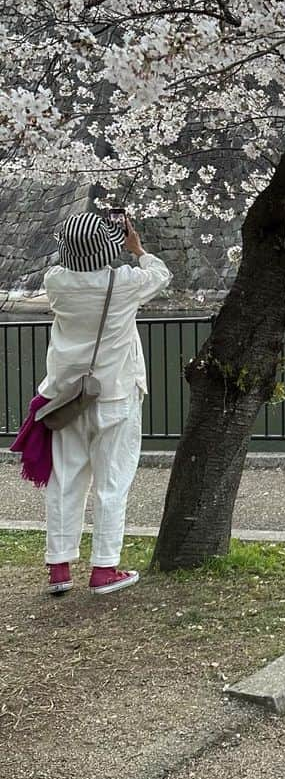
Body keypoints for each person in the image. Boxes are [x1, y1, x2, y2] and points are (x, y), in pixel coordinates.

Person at [38, 210, 172, 595]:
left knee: (64, 481)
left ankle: (60, 568)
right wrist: (137, 248)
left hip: (66, 398)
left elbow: (73, 261)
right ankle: (104, 569)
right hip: (114, 394)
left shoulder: (56, 282)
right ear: (107, 249)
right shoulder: (125, 282)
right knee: (112, 481)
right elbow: (161, 274)